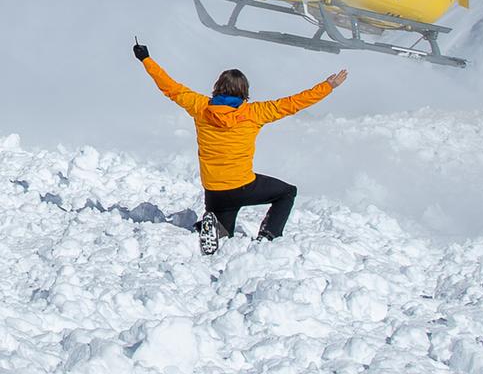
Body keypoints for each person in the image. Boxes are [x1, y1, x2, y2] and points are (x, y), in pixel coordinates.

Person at [132, 44, 345, 254]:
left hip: (214, 192)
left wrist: (146, 59)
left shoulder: (200, 107)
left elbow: (170, 88)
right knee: (287, 192)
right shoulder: (256, 112)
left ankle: (211, 226)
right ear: (245, 91)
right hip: (242, 186)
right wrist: (327, 86)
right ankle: (268, 236)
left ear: (217, 87)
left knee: (224, 235)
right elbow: (293, 103)